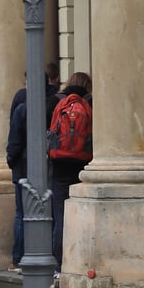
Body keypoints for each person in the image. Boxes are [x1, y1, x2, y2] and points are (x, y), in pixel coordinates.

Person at [5, 75, 59, 272]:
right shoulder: (56, 105)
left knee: (22, 213)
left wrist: (12, 161)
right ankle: (51, 253)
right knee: (49, 210)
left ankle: (18, 258)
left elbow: (15, 142)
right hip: (50, 164)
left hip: (24, 166)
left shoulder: (23, 107)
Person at [50, 71, 93, 270]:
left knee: (60, 217)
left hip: (59, 165)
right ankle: (79, 260)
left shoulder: (57, 103)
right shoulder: (89, 104)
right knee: (82, 215)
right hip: (82, 165)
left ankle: (59, 264)